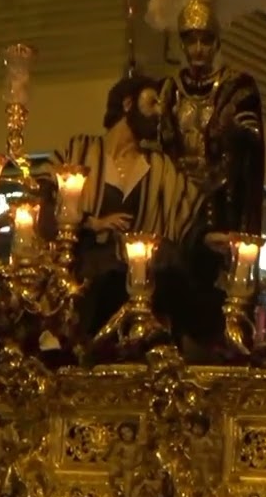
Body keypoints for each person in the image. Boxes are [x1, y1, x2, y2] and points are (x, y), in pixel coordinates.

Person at [120, 0, 266, 354]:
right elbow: (161, 151)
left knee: (219, 319)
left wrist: (230, 135)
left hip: (222, 209)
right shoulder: (171, 89)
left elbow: (249, 144)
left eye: (204, 41)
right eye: (190, 40)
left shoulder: (238, 86)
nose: (197, 49)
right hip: (179, 215)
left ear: (216, 42)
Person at [51, 74, 204, 338]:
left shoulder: (160, 168)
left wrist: (209, 236)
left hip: (138, 296)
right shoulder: (80, 150)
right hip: (83, 287)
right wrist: (90, 222)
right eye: (152, 102)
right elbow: (47, 198)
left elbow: (189, 214)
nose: (159, 112)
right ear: (127, 103)